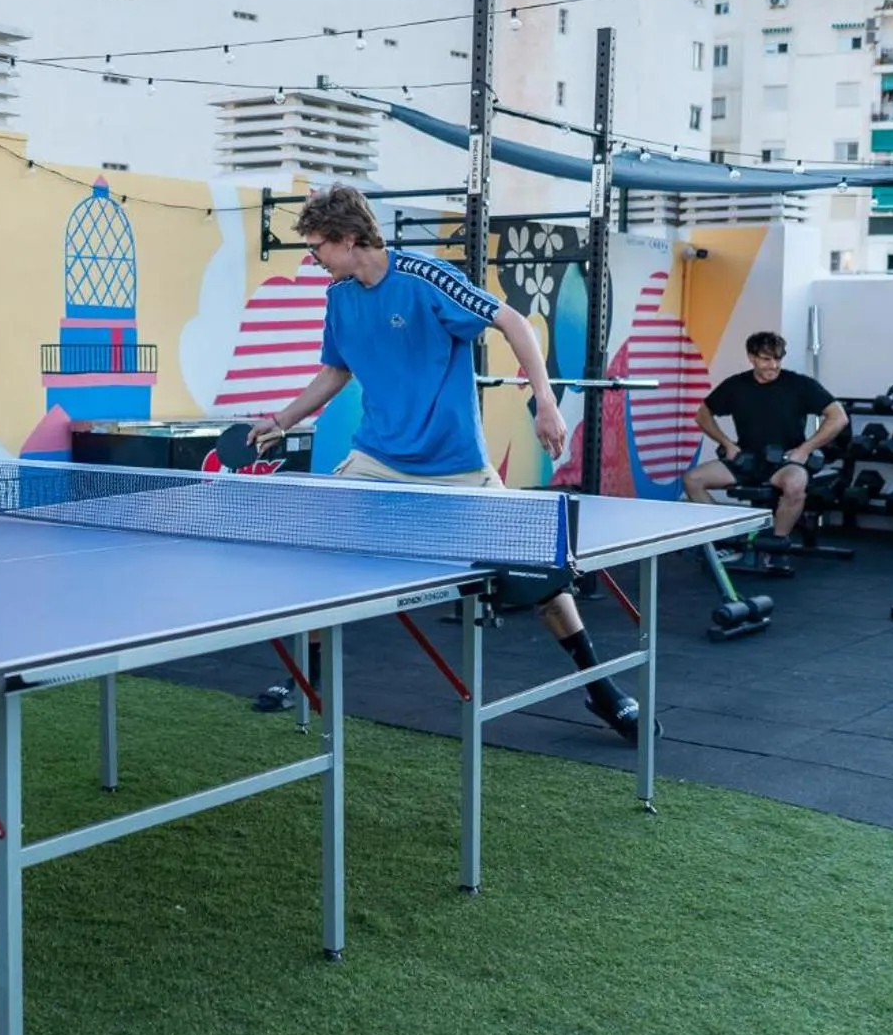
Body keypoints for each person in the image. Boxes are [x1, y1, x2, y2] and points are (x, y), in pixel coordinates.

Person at [249, 184, 650, 746]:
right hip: (377, 459)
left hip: (456, 465)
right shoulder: (339, 297)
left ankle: (599, 686)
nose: (312, 257)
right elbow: (335, 372)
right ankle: (307, 679)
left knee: (539, 574)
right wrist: (284, 420)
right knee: (321, 552)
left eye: (316, 246)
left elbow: (515, 323)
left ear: (347, 238)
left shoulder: (425, 279)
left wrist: (547, 403)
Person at [682, 331, 848, 543]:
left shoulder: (799, 385)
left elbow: (838, 417)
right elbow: (702, 415)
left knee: (795, 485)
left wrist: (804, 450)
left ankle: (776, 544)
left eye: (778, 359)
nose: (773, 365)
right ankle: (722, 538)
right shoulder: (736, 385)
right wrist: (726, 443)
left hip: (786, 462)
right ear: (751, 358)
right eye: (766, 359)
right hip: (747, 460)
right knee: (692, 480)